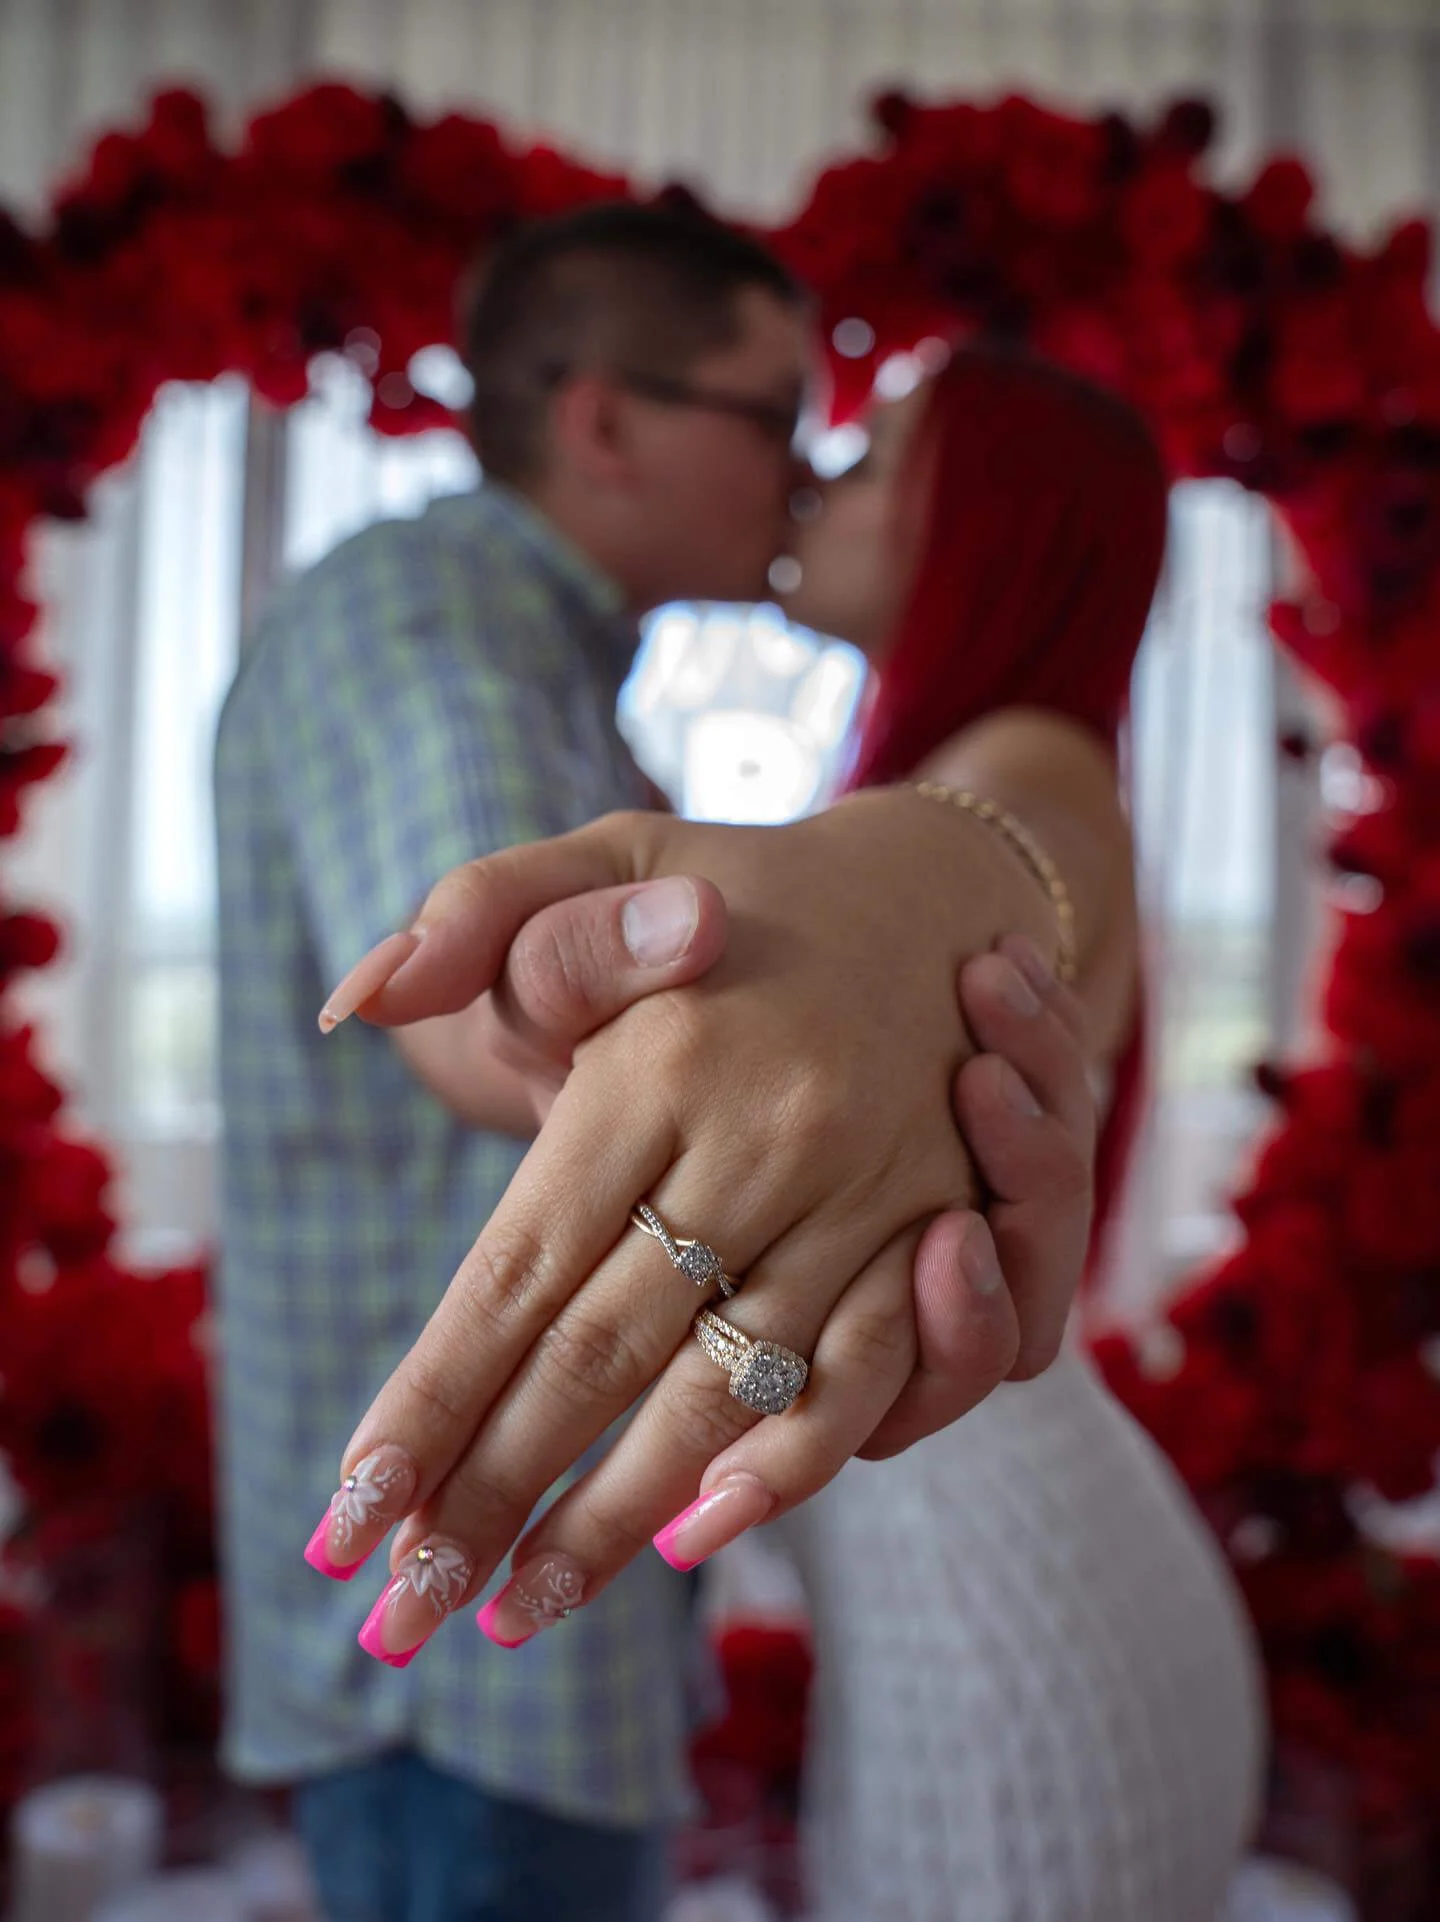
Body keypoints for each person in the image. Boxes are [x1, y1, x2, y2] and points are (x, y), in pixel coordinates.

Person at [213, 203, 1104, 1922]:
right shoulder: (432, 617)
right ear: (606, 419)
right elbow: (486, 1015)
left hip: (516, 1616)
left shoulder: (548, 659)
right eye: (774, 413)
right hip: (454, 1658)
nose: (807, 466)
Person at [342, 348, 1264, 1920]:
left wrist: (903, 868)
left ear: (988, 524)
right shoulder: (964, 754)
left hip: (1020, 1654)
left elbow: (998, 857)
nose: (822, 472)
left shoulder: (1026, 764)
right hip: (957, 1627)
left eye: (880, 449)